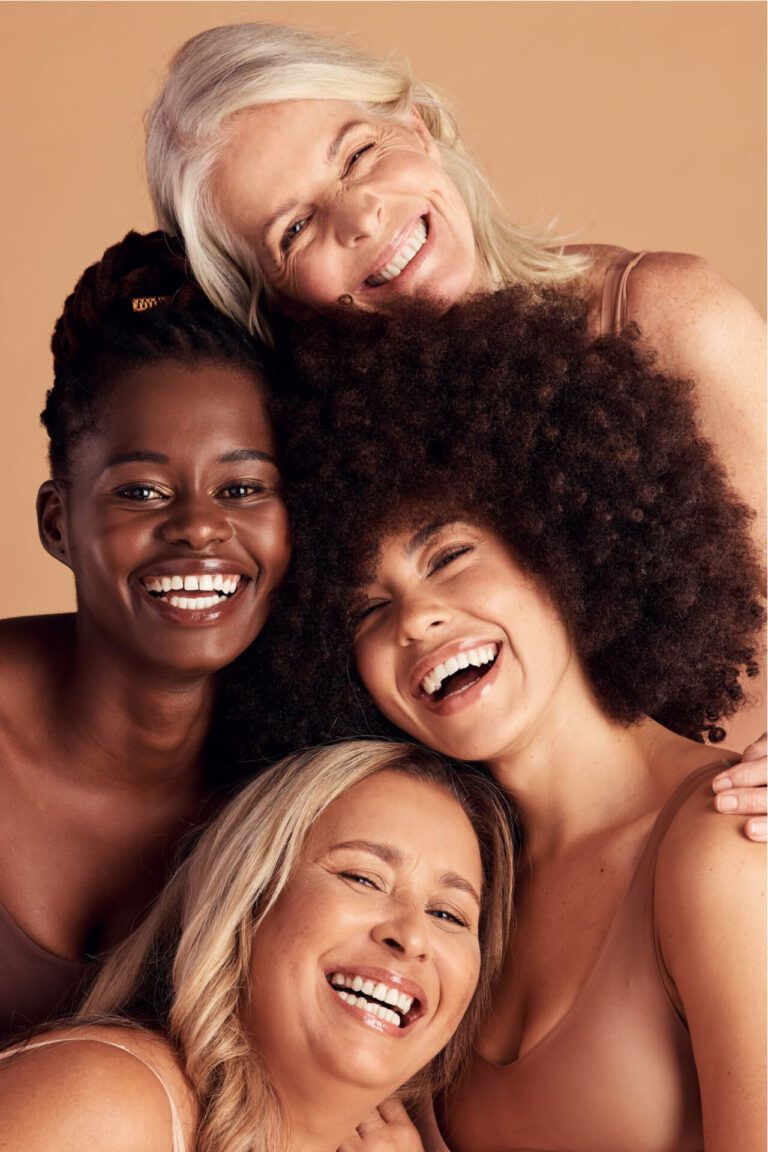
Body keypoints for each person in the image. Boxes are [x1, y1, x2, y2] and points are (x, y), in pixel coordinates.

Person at [260, 290, 766, 1150]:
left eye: (449, 556)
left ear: (562, 540)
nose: (415, 620)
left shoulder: (728, 848)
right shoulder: (446, 895)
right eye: (366, 609)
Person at [144, 21, 765, 558]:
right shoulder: (314, 468)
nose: (360, 217)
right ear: (275, 299)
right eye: (296, 228)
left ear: (417, 130)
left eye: (358, 154)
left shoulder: (670, 313)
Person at [0, 230, 290, 1039]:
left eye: (242, 487)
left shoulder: (295, 778)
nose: (199, 528)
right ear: (58, 522)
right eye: (141, 491)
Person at [0, 739, 515, 1152]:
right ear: (248, 898)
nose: (412, 936)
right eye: (363, 878)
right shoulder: (109, 1104)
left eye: (447, 914)